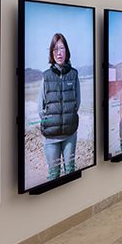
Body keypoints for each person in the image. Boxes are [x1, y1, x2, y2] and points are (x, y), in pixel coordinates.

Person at [40, 33, 81, 180]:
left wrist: (67, 119)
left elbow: (77, 102)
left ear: (66, 51)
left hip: (70, 134)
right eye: (55, 49)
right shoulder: (46, 76)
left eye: (62, 48)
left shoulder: (74, 74)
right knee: (54, 175)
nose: (59, 53)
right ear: (52, 52)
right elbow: (40, 108)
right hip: (51, 137)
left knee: (70, 170)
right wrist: (51, 123)